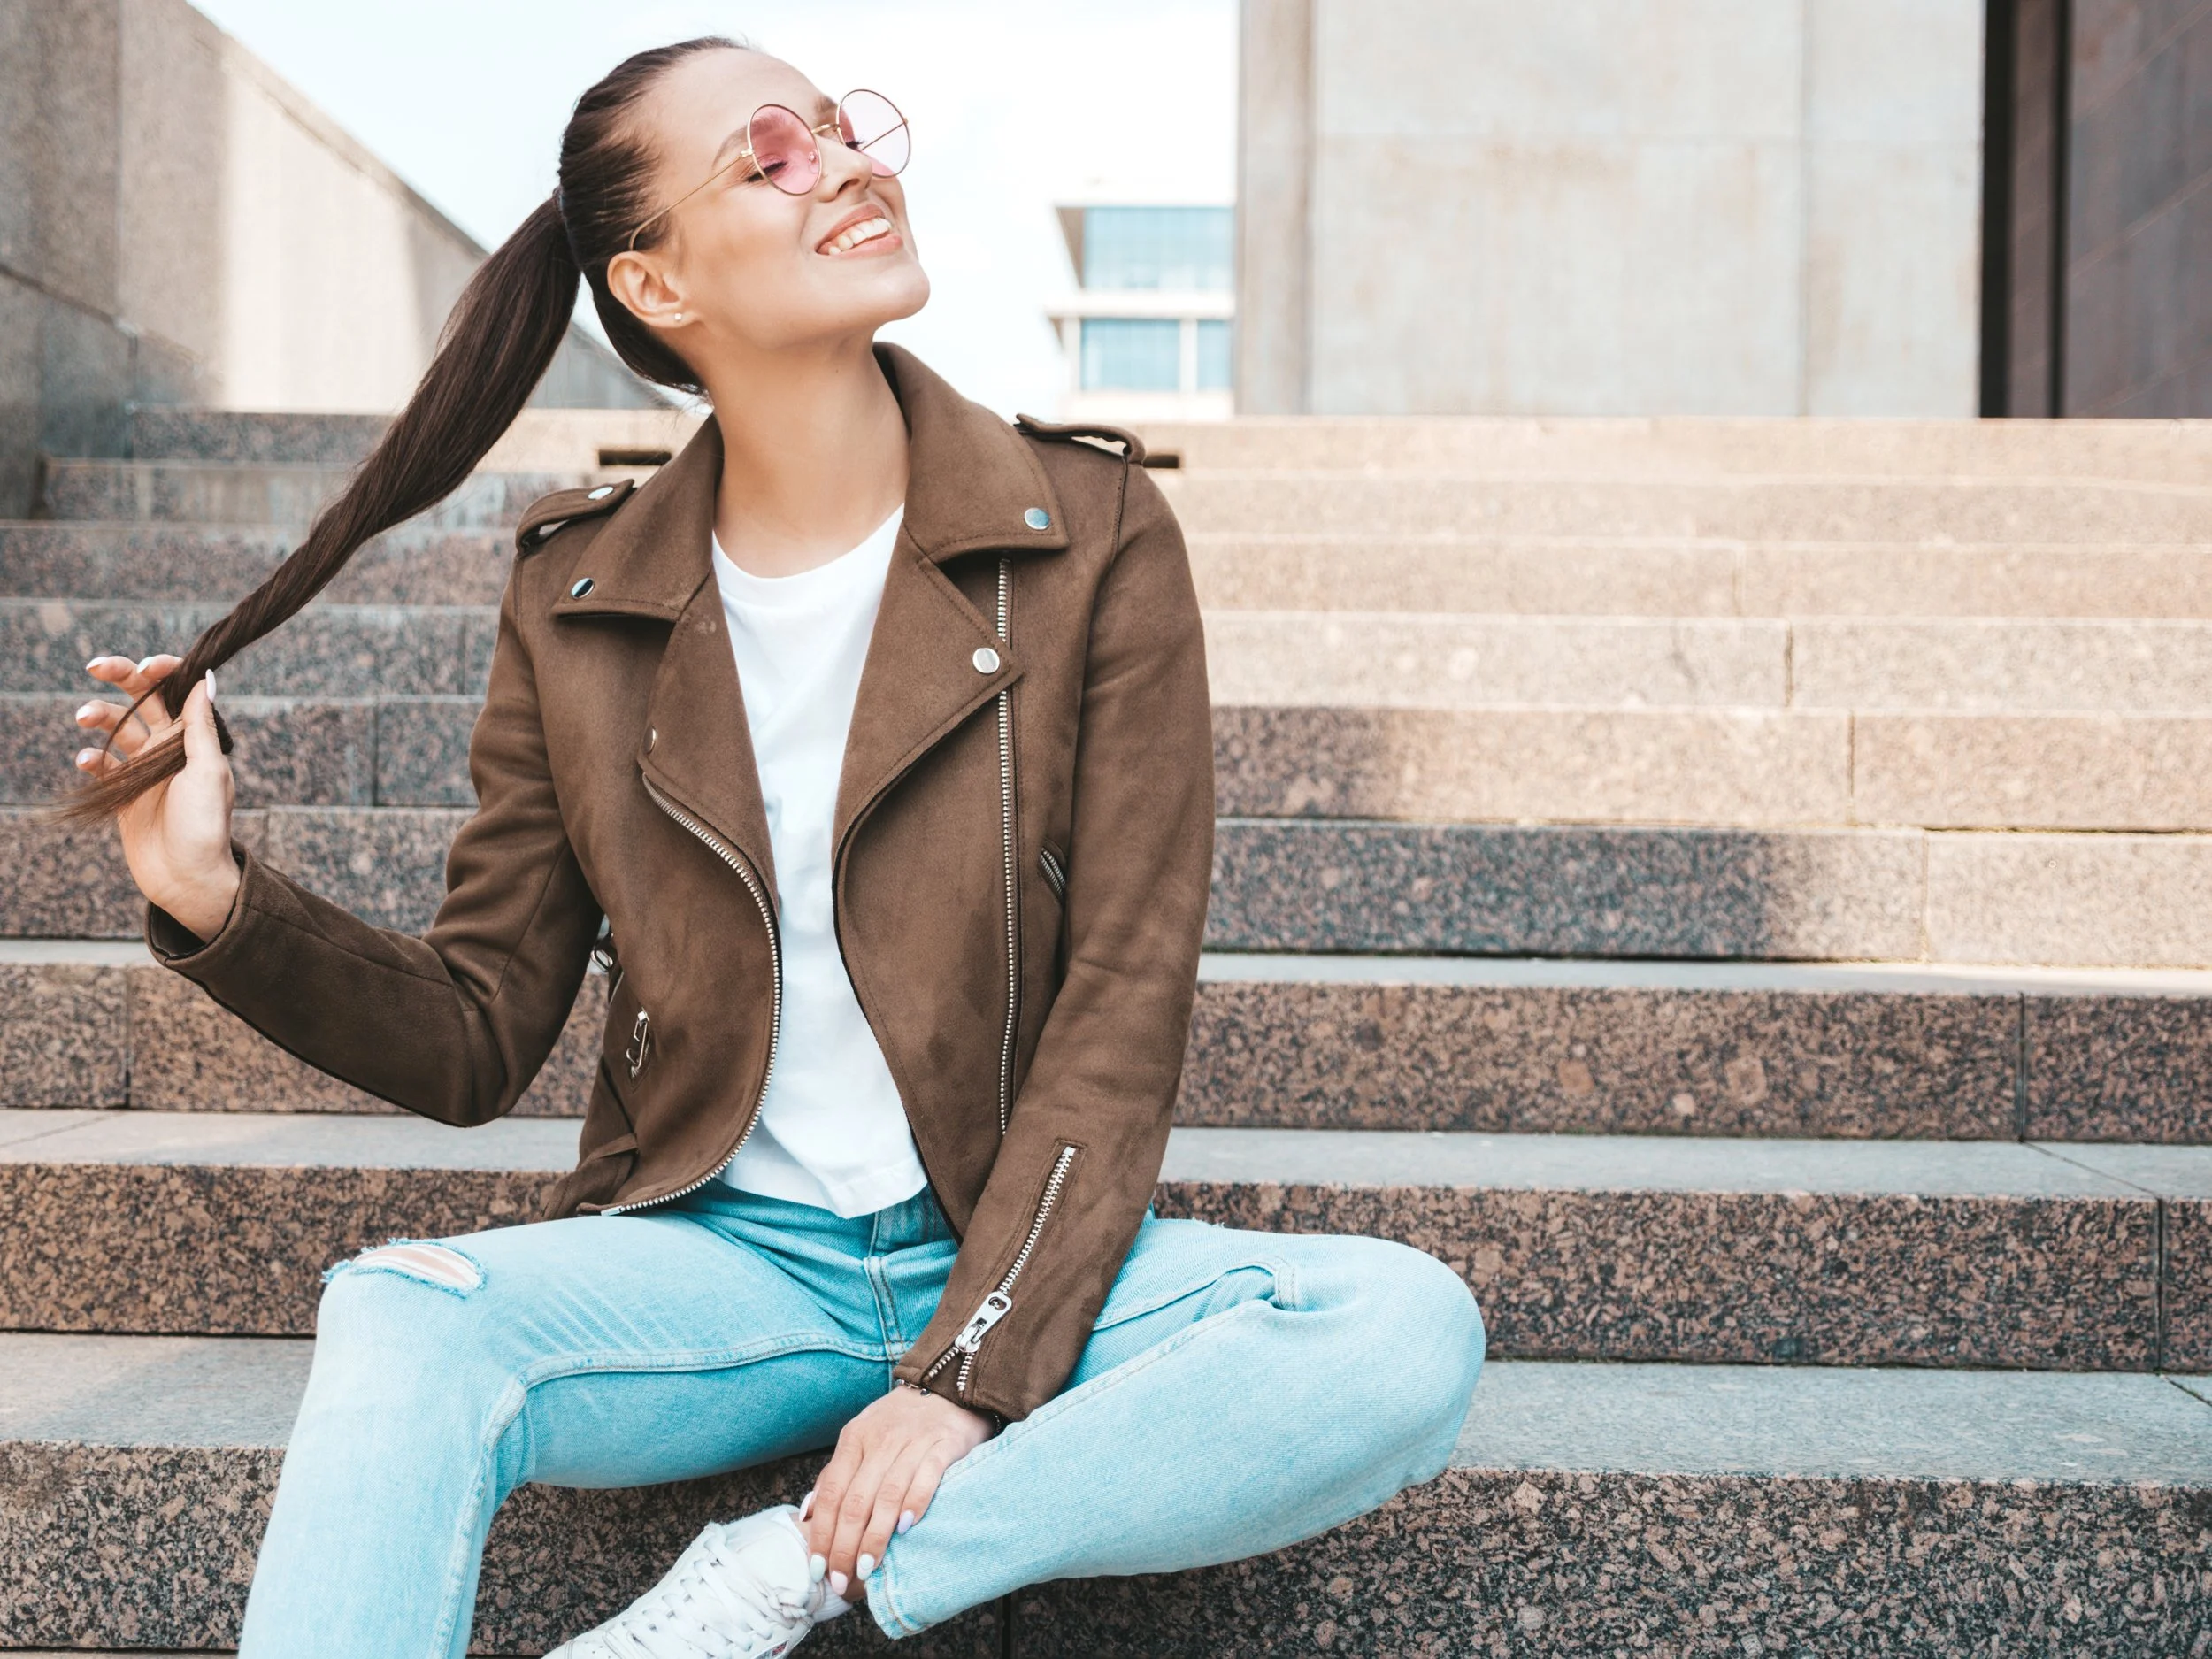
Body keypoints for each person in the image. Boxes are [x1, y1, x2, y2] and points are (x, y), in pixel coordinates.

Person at [65, 36, 1486, 1659]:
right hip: (723, 1265)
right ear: (657, 281)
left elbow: (1126, 993)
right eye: (776, 156)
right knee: (400, 1317)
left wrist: (969, 1374)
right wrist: (210, 898)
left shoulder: (1086, 537)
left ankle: (785, 1579)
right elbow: (477, 1027)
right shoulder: (578, 593)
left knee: (1396, 1328)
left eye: (841, 126)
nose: (852, 162)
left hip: (998, 1236)